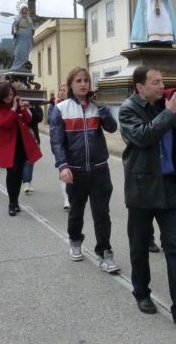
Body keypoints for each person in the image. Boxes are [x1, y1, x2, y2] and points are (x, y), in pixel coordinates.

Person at [119, 65, 176, 328]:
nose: (161, 85)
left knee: (175, 247)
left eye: (162, 80)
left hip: (169, 187)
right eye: (154, 82)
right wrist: (169, 113)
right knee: (139, 246)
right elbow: (144, 136)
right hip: (142, 188)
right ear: (139, 87)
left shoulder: (168, 106)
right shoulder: (128, 109)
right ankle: (141, 293)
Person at [50, 68, 120, 272]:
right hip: (75, 170)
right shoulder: (61, 109)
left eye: (86, 81)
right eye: (78, 81)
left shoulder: (97, 107)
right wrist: (63, 166)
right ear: (71, 85)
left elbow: (112, 128)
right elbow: (57, 142)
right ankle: (75, 240)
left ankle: (105, 253)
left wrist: (102, 108)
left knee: (102, 214)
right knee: (76, 212)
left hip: (99, 169)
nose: (83, 84)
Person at [0, 82, 42, 216]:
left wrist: (24, 108)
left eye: (11, 95)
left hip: (22, 144)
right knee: (12, 173)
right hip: (8, 145)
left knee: (19, 175)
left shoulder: (18, 106)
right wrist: (13, 109)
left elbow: (29, 120)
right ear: (1, 96)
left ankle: (16, 201)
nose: (9, 97)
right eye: (6, 95)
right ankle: (11, 203)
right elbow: (4, 123)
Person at [48, 83, 70, 210]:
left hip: (72, 142)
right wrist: (56, 106)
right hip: (58, 143)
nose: (62, 92)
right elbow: (51, 120)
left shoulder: (73, 104)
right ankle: (66, 198)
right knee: (63, 168)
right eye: (60, 90)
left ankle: (72, 195)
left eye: (64, 90)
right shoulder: (53, 106)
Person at [21, 103, 43, 194]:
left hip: (34, 136)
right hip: (23, 136)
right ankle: (26, 182)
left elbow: (39, 118)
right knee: (26, 161)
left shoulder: (36, 107)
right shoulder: (20, 106)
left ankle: (28, 181)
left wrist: (31, 107)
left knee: (31, 160)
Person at [10, 4, 35, 72]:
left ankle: (24, 65)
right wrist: (15, 31)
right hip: (20, 37)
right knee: (18, 52)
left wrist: (32, 30)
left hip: (27, 37)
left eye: (26, 9)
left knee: (25, 52)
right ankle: (16, 66)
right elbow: (14, 26)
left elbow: (32, 27)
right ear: (21, 10)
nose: (24, 10)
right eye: (23, 9)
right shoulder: (18, 18)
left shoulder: (29, 19)